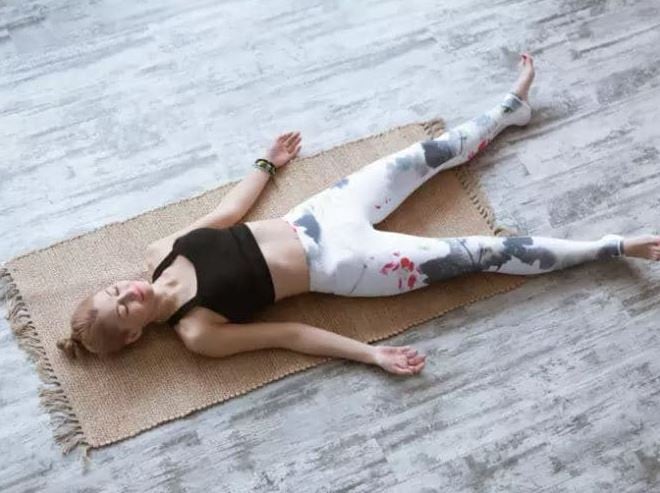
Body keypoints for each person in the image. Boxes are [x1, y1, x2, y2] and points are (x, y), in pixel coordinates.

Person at [57, 54, 660, 376]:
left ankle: (508, 110)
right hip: (347, 265)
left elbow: (229, 211)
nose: (129, 293)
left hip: (316, 214)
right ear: (134, 334)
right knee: (482, 253)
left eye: (115, 290)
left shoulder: (159, 252)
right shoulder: (197, 332)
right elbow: (291, 336)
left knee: (425, 155)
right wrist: (371, 355)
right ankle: (613, 246)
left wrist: (266, 163)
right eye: (124, 308)